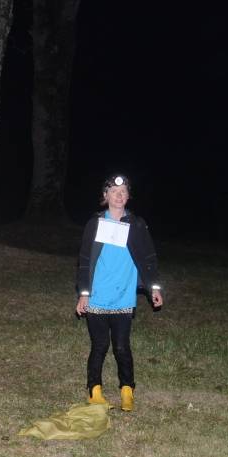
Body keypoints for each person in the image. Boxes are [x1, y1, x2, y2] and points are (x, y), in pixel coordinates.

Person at [75, 174, 163, 412]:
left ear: (128, 196)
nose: (119, 195)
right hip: (97, 296)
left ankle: (127, 390)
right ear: (105, 196)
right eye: (114, 191)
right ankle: (94, 391)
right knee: (100, 345)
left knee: (122, 346)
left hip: (123, 297)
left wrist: (154, 287)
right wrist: (84, 293)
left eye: (123, 191)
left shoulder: (136, 224)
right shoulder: (95, 223)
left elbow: (148, 258)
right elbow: (85, 260)